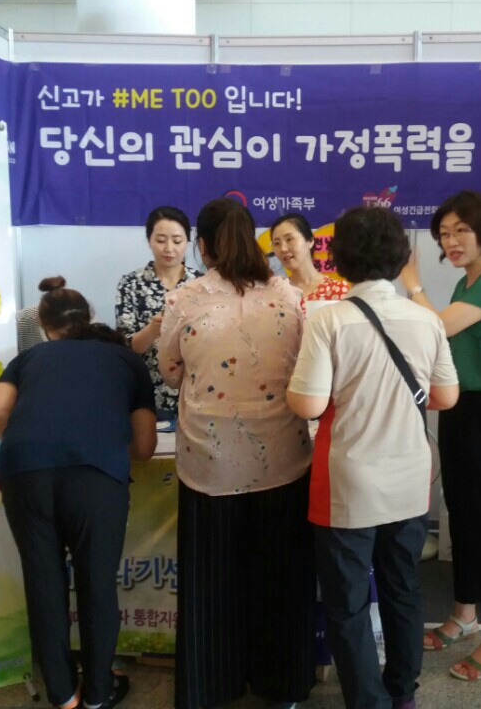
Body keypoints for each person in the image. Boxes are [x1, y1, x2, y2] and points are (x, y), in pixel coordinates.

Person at [287, 206, 459, 709]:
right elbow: (446, 396)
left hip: (348, 482)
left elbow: (309, 405)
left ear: (339, 258)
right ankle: (403, 693)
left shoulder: (329, 320)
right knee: (403, 587)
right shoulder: (426, 321)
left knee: (347, 602)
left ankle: (367, 701)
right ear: (400, 257)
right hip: (409, 478)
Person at [158, 198, 316, 709]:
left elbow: (171, 373)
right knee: (280, 578)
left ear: (201, 246)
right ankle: (283, 686)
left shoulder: (185, 299)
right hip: (284, 459)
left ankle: (211, 686)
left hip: (211, 463)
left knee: (212, 583)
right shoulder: (290, 297)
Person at [0, 276, 157, 709]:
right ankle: (97, 694)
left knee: (43, 582)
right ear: (90, 316)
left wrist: (33, 444)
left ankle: (63, 696)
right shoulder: (125, 359)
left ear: (44, 326)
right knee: (97, 582)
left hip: (24, 472)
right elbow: (144, 447)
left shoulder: (28, 359)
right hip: (95, 476)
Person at [398, 190, 481, 682]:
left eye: (460, 231)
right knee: (462, 519)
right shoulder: (466, 281)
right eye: (444, 234)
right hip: (460, 408)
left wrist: (412, 284)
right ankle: (464, 613)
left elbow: (437, 328)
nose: (451, 242)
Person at [116, 206, 202, 419]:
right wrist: (153, 330)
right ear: (149, 241)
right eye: (161, 240)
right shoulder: (130, 284)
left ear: (187, 241)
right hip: (148, 393)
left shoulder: (201, 284)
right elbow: (127, 347)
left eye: (177, 240)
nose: (169, 248)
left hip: (196, 392)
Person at [270, 212, 349, 302]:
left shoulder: (337, 290)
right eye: (277, 243)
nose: (283, 249)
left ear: (310, 241)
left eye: (289, 239)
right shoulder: (275, 292)